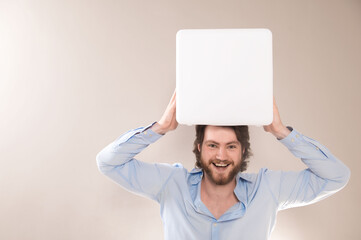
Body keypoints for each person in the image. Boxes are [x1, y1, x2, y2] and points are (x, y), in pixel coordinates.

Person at [96, 91, 350, 240]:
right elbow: (108, 162)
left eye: (231, 146)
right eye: (212, 145)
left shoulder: (268, 188)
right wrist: (159, 128)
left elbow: (336, 176)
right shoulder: (170, 183)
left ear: (243, 151)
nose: (221, 155)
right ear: (199, 148)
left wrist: (281, 131)